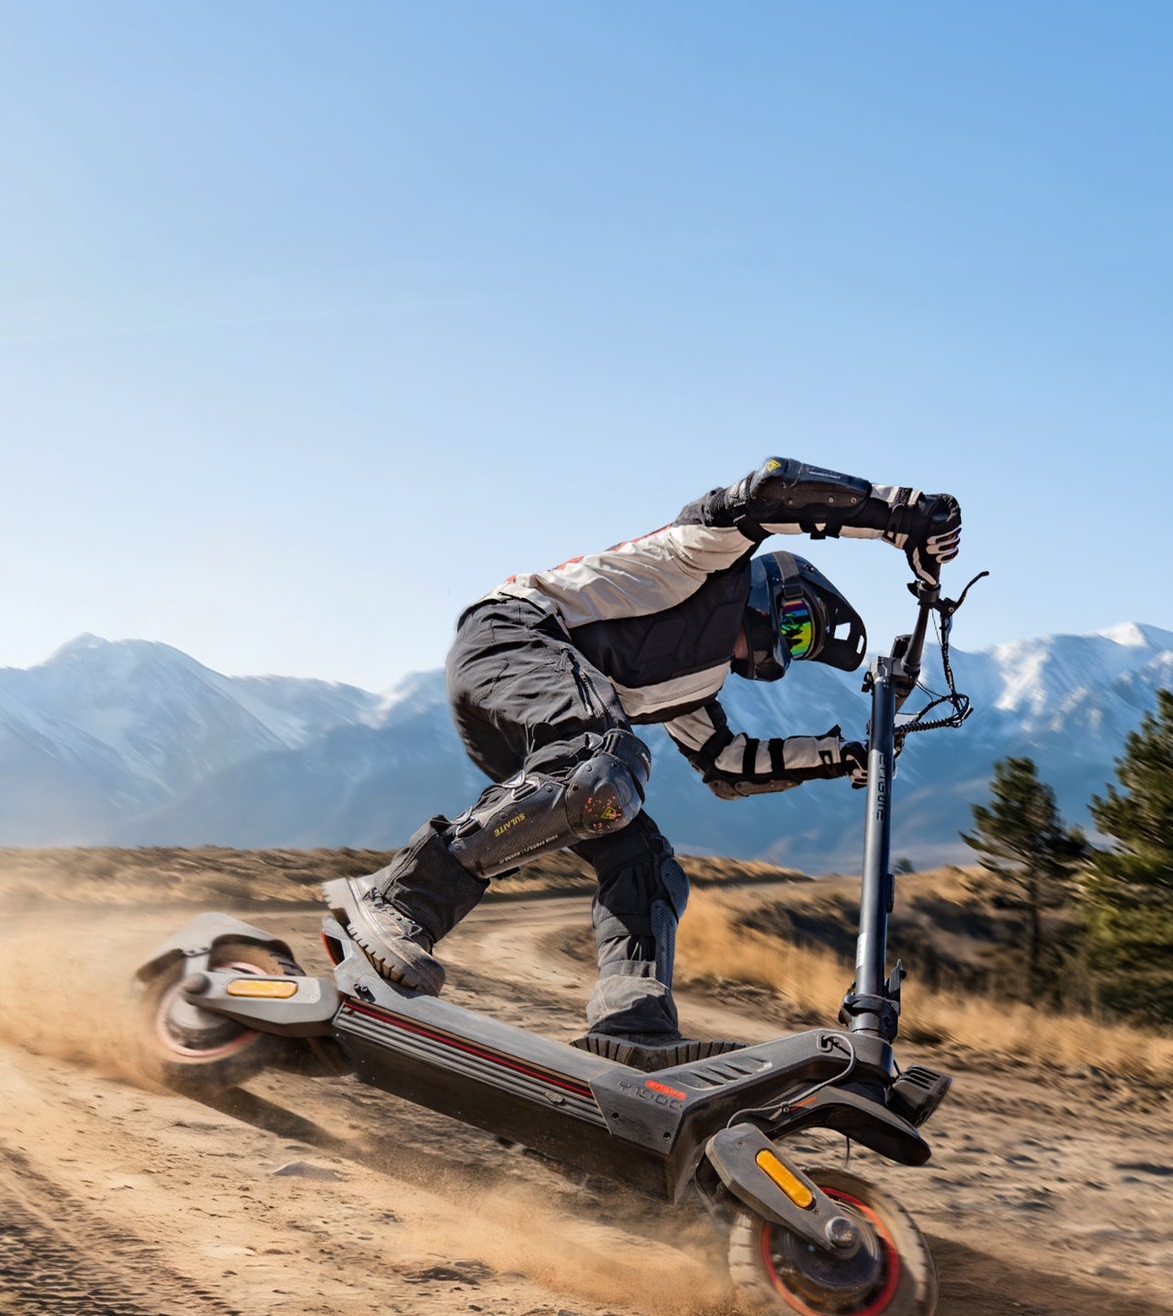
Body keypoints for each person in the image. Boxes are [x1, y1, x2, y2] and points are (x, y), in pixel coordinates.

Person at [324, 456, 961, 1069]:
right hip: (514, 638)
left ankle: (632, 1026)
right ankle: (399, 900)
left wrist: (842, 755)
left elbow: (726, 763)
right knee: (604, 762)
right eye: (794, 629)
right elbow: (770, 490)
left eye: (799, 651)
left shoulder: (694, 683)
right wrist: (901, 516)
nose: (782, 654)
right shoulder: (703, 559)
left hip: (541, 721)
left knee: (644, 863)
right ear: (771, 590)